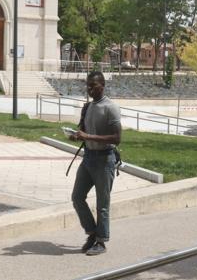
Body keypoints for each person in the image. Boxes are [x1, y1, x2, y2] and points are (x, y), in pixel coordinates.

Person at [69, 71, 121, 256]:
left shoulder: (110, 108)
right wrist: (77, 135)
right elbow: (83, 130)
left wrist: (88, 136)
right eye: (88, 86)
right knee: (77, 197)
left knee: (102, 204)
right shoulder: (88, 107)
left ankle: (101, 241)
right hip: (88, 158)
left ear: (103, 85)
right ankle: (92, 233)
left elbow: (117, 138)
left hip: (105, 159)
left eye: (93, 85)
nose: (90, 89)